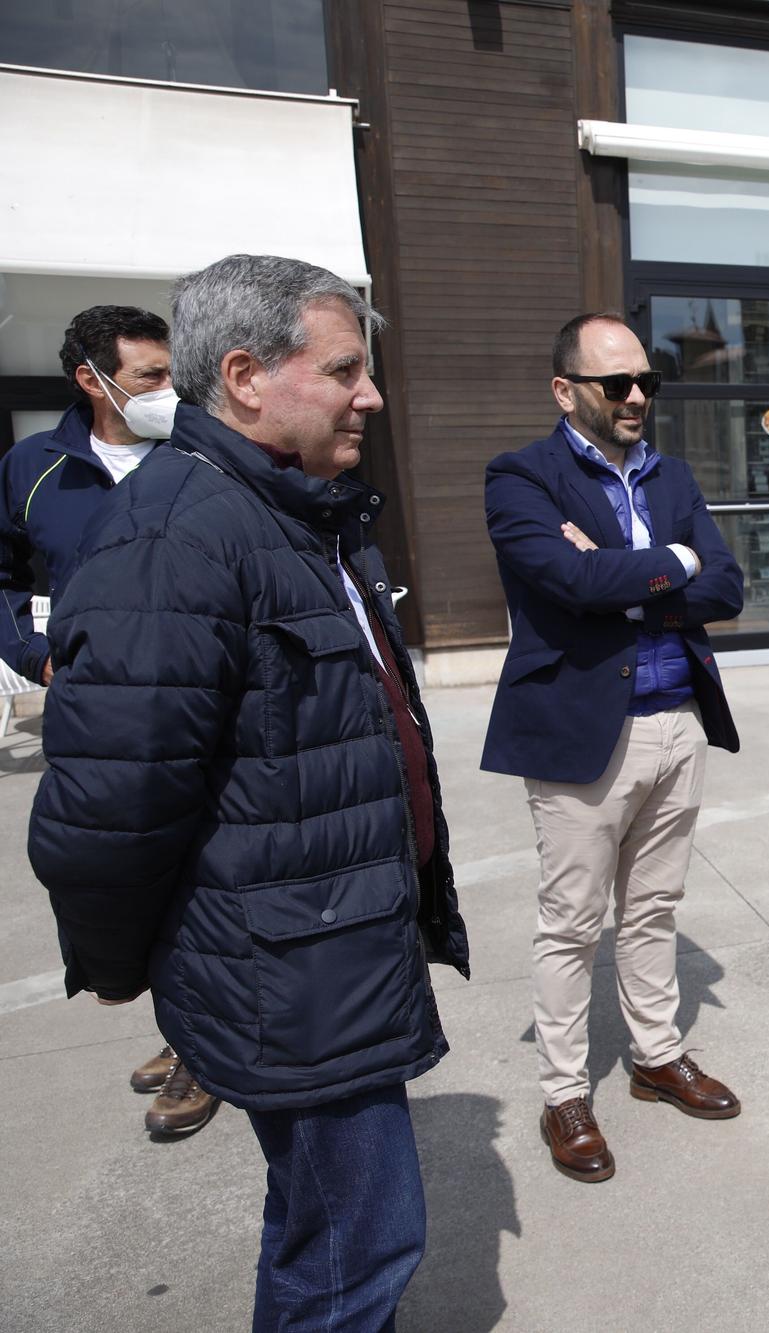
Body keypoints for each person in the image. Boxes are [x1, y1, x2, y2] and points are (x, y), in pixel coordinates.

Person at [27, 253, 469, 1330]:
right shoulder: (175, 541)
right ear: (245, 375)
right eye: (345, 369)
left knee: (325, 1232)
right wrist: (125, 962)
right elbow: (105, 811)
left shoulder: (305, 515)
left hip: (334, 946)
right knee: (359, 1248)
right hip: (290, 971)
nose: (370, 393)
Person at [482, 312, 744, 1184]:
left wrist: (634, 578)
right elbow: (568, 581)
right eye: (616, 384)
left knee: (655, 907)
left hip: (679, 721)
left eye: (647, 382)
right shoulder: (522, 477)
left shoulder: (671, 475)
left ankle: (655, 1055)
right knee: (571, 923)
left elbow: (729, 585)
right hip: (584, 733)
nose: (637, 397)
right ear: (566, 390)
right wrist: (673, 564)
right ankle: (564, 1091)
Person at [0, 305, 220, 1135]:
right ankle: (182, 1021)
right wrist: (31, 651)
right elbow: (4, 572)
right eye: (149, 378)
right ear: (91, 382)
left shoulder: (199, 458)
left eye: (172, 373)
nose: (168, 391)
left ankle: (200, 1050)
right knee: (123, 875)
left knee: (200, 873)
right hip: (95, 720)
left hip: (195, 711)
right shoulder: (33, 469)